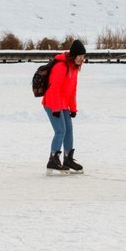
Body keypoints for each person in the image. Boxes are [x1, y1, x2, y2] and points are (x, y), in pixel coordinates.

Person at [43, 40, 86, 175]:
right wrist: (55, 108)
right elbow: (53, 89)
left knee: (69, 130)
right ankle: (53, 160)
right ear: (73, 55)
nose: (82, 59)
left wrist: (73, 108)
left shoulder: (74, 68)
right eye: (79, 56)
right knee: (60, 130)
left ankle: (67, 159)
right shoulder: (61, 67)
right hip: (52, 103)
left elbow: (72, 90)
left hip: (63, 104)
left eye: (83, 56)